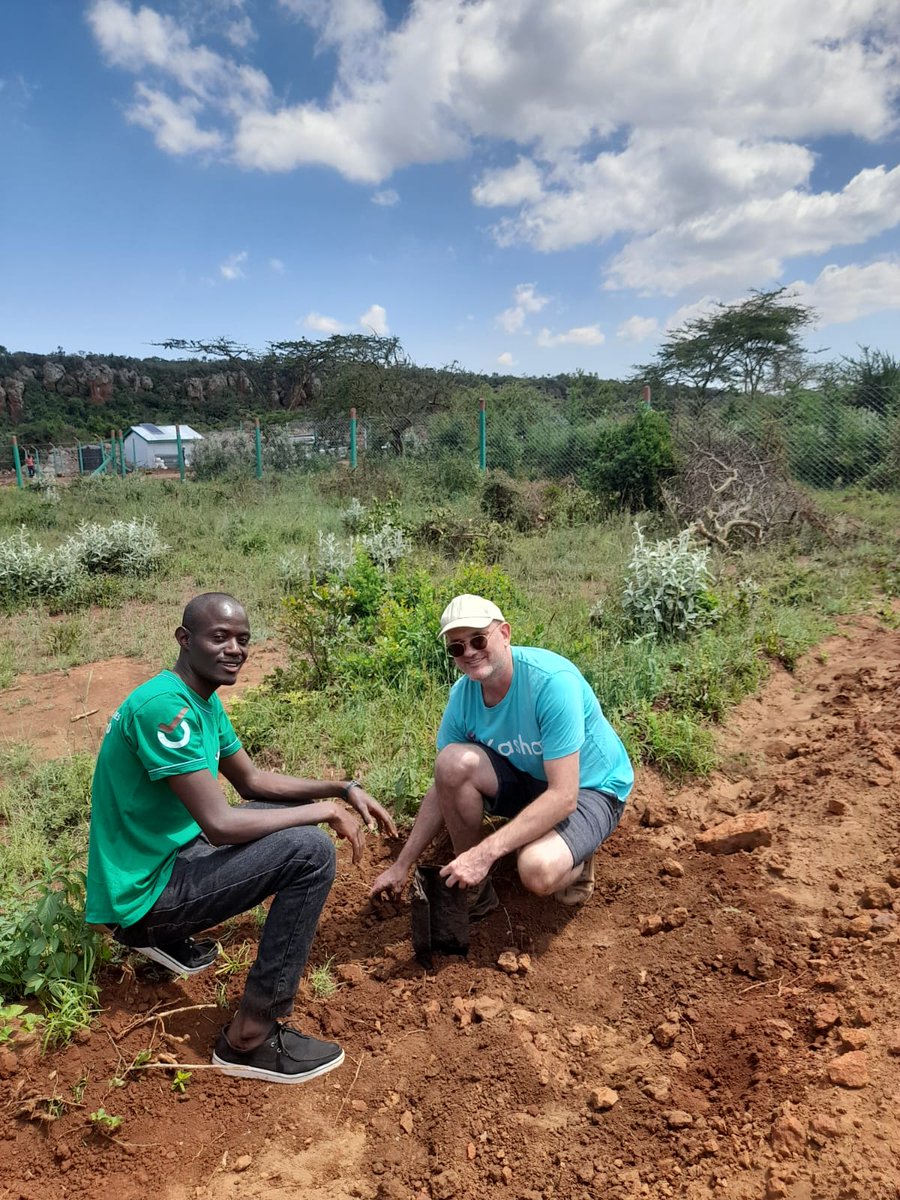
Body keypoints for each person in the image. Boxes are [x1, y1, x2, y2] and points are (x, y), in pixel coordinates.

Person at [86, 592, 397, 1085]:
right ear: (184, 640)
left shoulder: (199, 700)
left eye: (243, 639)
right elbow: (221, 825)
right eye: (220, 637)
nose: (235, 649)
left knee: (284, 815)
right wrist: (319, 815)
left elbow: (252, 782)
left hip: (165, 861)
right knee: (311, 851)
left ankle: (165, 937)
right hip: (142, 895)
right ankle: (250, 1036)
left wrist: (342, 787)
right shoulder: (167, 711)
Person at [370, 594, 633, 915]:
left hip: (589, 789)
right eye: (457, 647)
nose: (469, 652)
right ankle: (473, 889)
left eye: (478, 640)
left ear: (505, 633)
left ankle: (578, 854)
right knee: (451, 763)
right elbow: (443, 786)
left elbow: (564, 796)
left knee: (536, 867)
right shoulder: (463, 697)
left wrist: (486, 853)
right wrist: (402, 865)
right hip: (531, 779)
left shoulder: (552, 683)